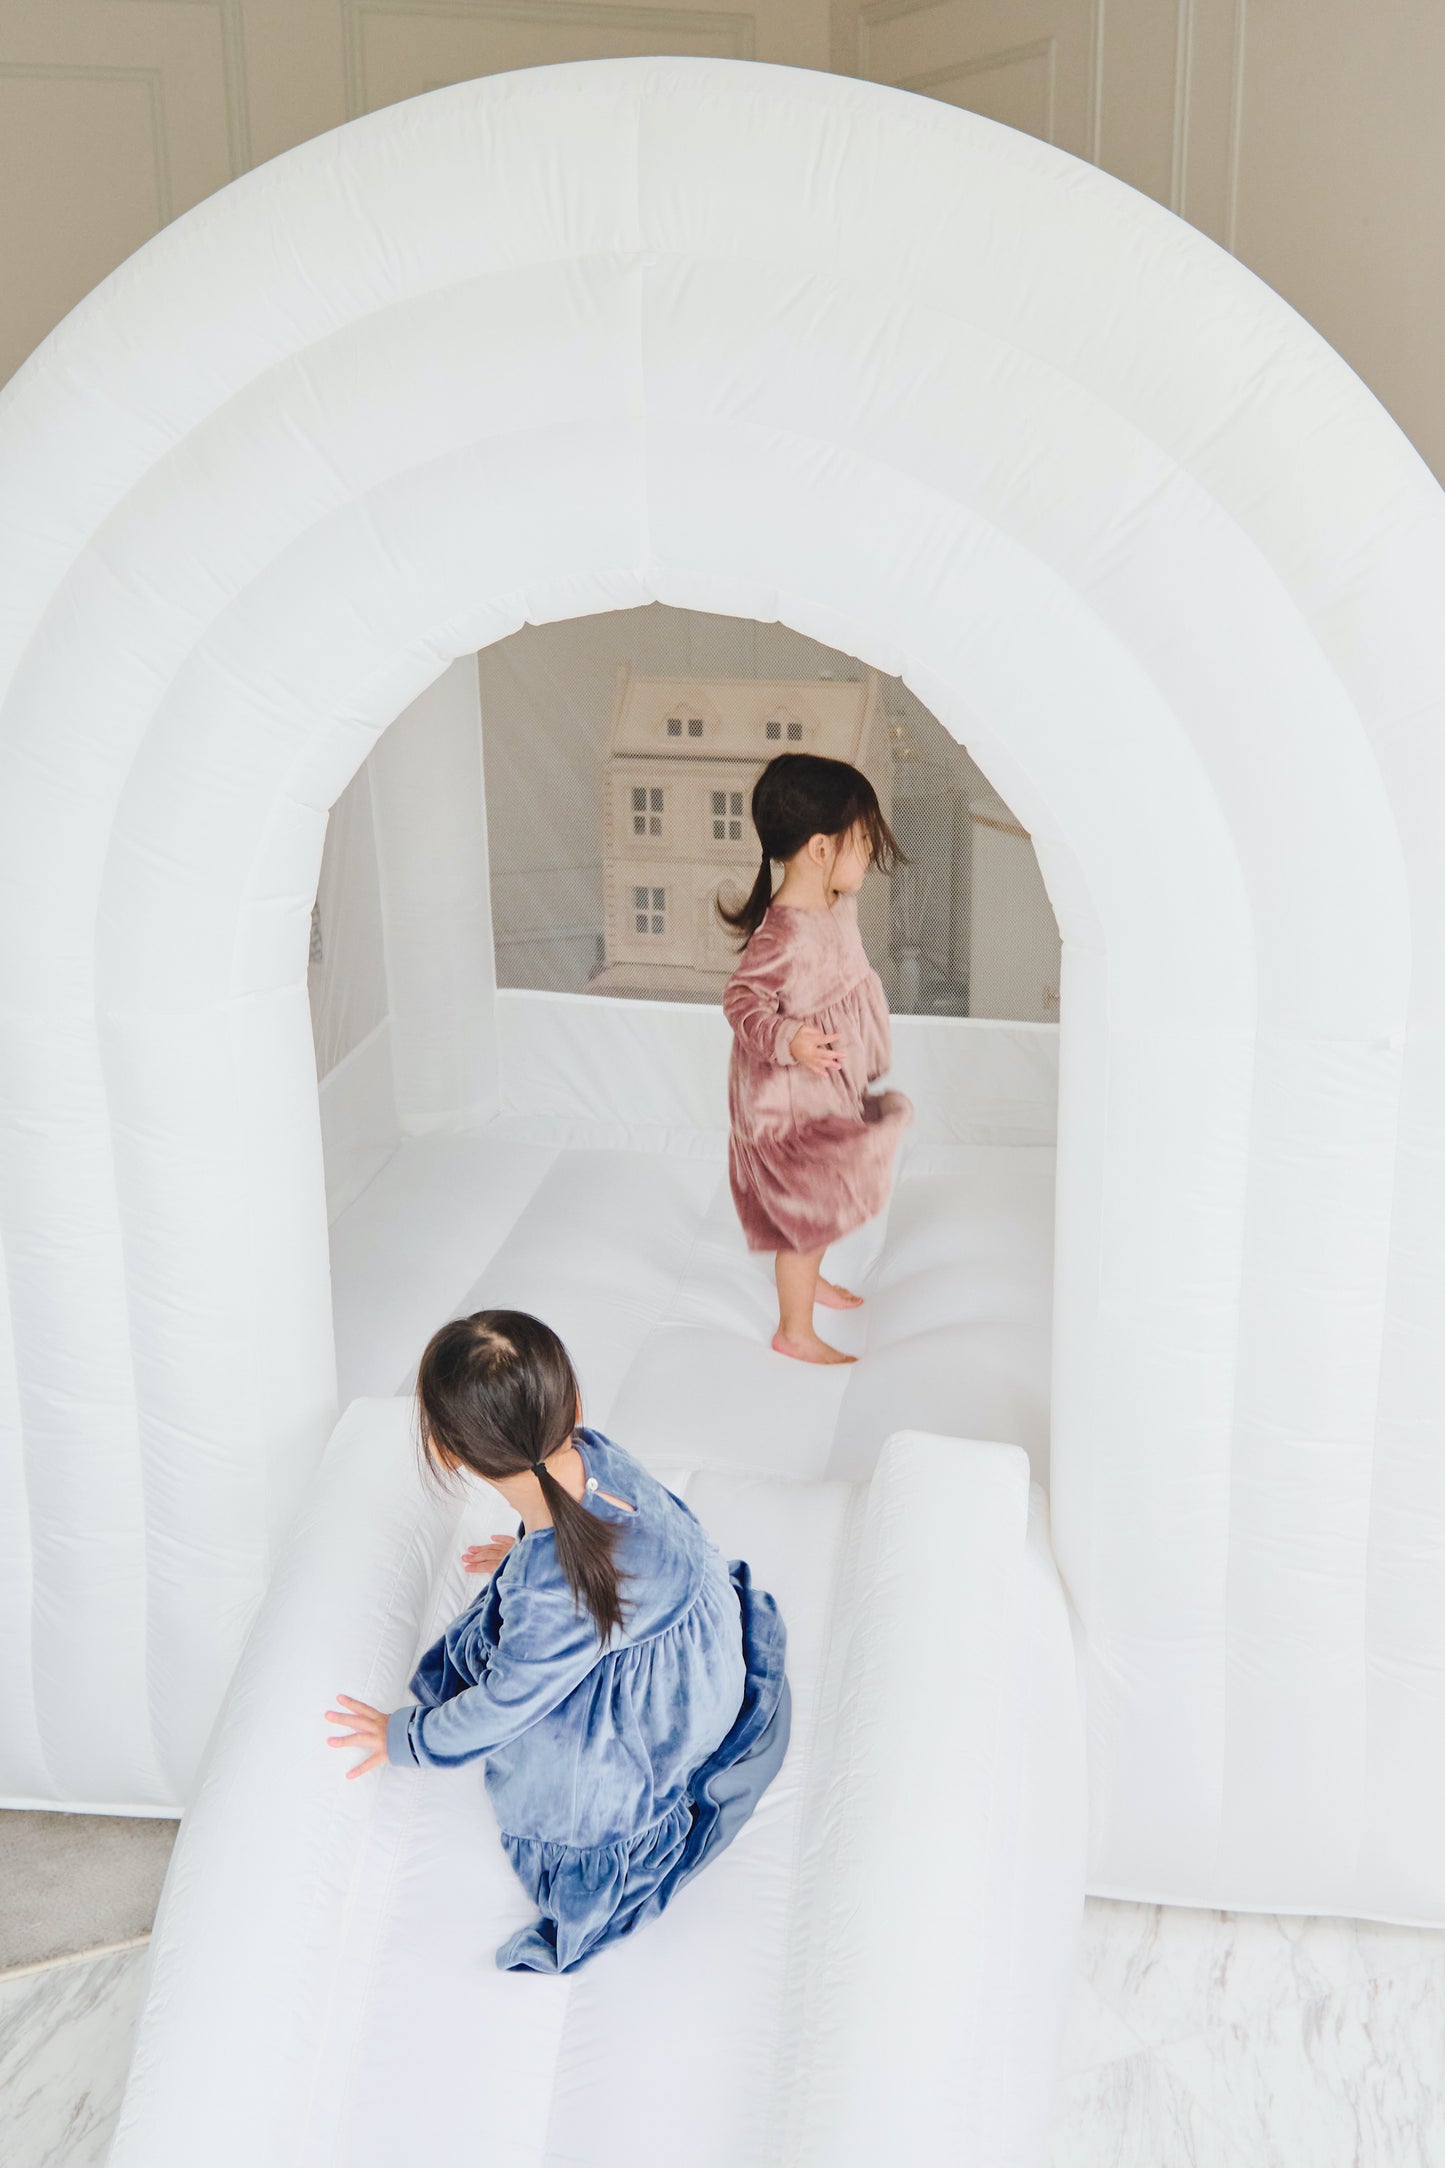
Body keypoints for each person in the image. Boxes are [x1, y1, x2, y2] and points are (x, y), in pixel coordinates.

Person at [324, 1309, 789, 1975]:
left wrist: (401, 1736)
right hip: (709, 1649)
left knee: (556, 1790)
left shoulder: (554, 1595)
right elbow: (590, 1540)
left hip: (670, 1713)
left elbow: (503, 1705)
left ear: (446, 1450)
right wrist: (523, 1554)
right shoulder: (593, 1453)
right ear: (571, 1404)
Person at [720, 752, 913, 1365]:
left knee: (829, 1193)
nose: (869, 858)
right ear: (822, 848)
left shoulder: (834, 905)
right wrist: (790, 1039)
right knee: (808, 1208)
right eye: (862, 843)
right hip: (787, 1103)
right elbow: (742, 1000)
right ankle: (793, 1329)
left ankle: (814, 1283)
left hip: (825, 1086)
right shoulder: (782, 933)